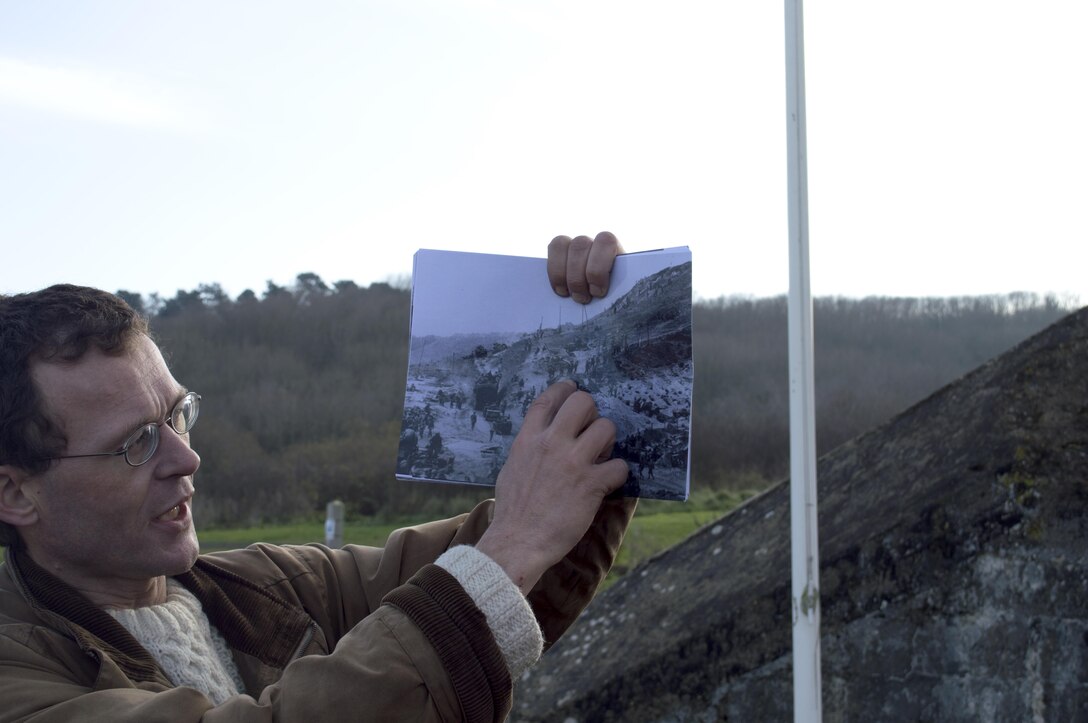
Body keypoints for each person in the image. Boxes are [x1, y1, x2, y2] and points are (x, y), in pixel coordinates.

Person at [0, 233, 628, 722]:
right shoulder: (17, 673)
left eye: (177, 415)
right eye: (135, 443)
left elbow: (500, 576)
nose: (186, 458)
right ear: (15, 492)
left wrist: (591, 345)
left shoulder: (274, 587)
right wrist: (513, 544)